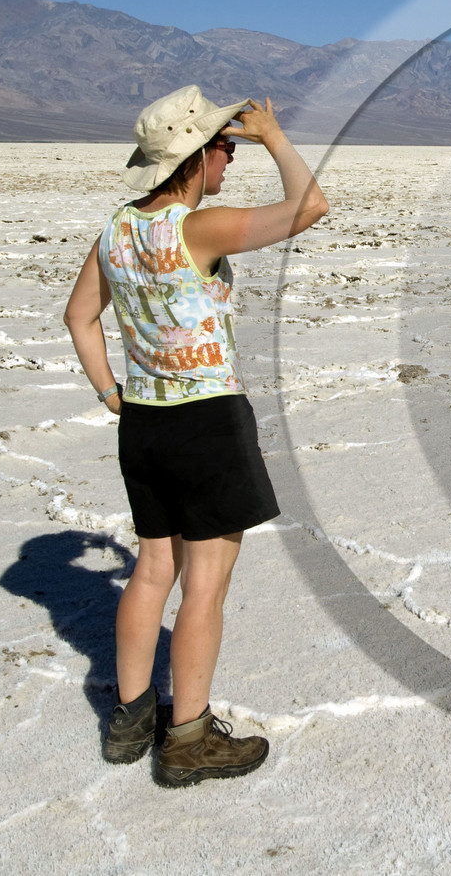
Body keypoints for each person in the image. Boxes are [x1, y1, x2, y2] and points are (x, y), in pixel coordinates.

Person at [64, 85, 328, 787]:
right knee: (204, 588)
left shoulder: (116, 230)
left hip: (145, 425)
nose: (230, 159)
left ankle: (129, 723)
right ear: (193, 158)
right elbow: (311, 207)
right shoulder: (197, 230)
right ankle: (187, 740)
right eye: (224, 147)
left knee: (154, 570)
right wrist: (275, 138)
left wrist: (111, 393)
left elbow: (79, 319)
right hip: (207, 423)